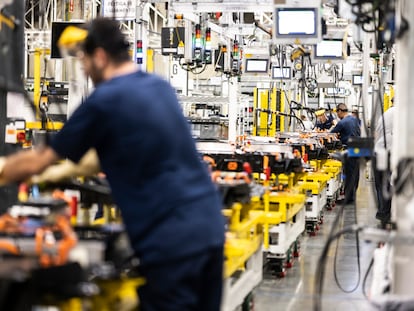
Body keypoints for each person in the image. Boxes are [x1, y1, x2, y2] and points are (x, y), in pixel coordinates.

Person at [0, 18, 225, 311]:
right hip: (209, 228)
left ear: (101, 56)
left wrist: (5, 168)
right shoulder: (158, 88)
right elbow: (129, 146)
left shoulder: (104, 100)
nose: (82, 67)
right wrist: (74, 168)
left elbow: (39, 159)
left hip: (171, 240)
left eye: (83, 58)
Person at [330, 103, 361, 204]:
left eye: (337, 112)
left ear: (340, 111)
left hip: (349, 149)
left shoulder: (342, 122)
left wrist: (335, 125)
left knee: (349, 173)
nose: (337, 115)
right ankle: (352, 195)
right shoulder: (355, 119)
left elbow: (331, 134)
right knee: (355, 173)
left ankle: (348, 198)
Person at [374, 104, 395, 226]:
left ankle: (383, 212)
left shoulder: (385, 114)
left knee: (380, 184)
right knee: (391, 184)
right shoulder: (405, 114)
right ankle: (388, 212)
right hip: (395, 154)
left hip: (379, 152)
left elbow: (376, 134)